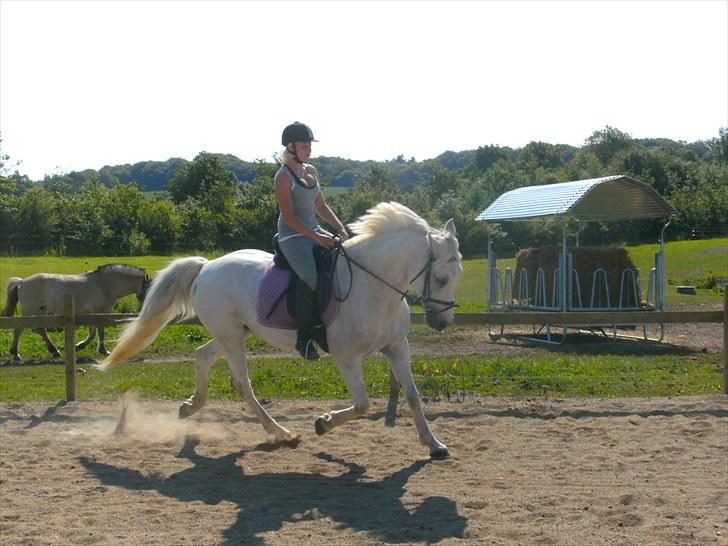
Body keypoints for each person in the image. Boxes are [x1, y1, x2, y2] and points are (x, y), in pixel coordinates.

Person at [275, 121, 349, 360]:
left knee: (342, 262)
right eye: (304, 145)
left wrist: (339, 228)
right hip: (292, 235)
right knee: (310, 277)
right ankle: (304, 336)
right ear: (291, 147)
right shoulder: (283, 177)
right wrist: (317, 237)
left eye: (309, 145)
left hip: (314, 230)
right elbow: (289, 217)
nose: (308, 149)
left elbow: (320, 205)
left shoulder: (312, 171)